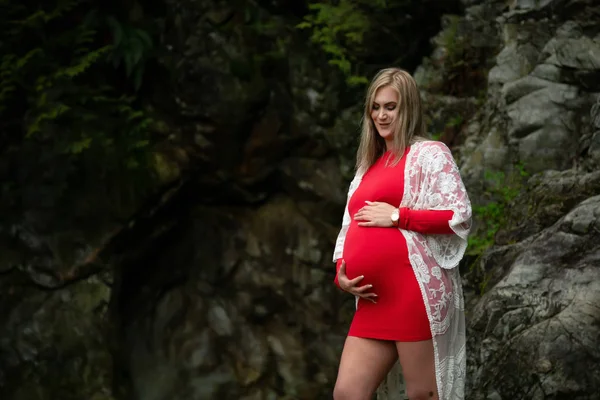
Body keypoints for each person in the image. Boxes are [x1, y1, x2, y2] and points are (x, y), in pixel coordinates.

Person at [331, 68, 472, 400]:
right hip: (372, 299)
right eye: (376, 107)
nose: (381, 115)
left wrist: (398, 216)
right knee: (348, 393)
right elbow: (347, 229)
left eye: (390, 107)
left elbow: (458, 214)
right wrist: (340, 273)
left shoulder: (430, 153)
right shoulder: (368, 166)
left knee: (422, 395)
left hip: (413, 292)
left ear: (407, 108)